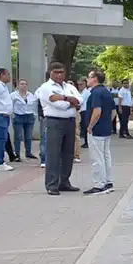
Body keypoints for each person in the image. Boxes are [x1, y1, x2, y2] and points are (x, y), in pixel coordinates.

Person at [36, 62, 82, 195]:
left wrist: (64, 98)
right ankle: (51, 184)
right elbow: (59, 106)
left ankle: (64, 182)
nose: (59, 75)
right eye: (56, 72)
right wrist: (71, 101)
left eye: (61, 72)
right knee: (53, 154)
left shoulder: (69, 86)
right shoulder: (45, 88)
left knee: (68, 154)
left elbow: (80, 100)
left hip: (70, 121)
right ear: (50, 73)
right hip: (54, 121)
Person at [84, 70, 115, 195]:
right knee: (106, 156)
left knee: (97, 157)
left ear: (95, 79)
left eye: (89, 77)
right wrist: (107, 122)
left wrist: (90, 125)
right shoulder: (107, 92)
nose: (87, 79)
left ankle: (99, 184)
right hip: (106, 128)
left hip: (96, 130)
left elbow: (97, 111)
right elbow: (113, 112)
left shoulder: (95, 93)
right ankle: (108, 181)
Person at [11, 80, 39, 160]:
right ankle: (17, 154)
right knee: (18, 136)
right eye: (22, 84)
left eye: (25, 84)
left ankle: (28, 152)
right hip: (18, 116)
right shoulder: (13, 95)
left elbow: (34, 105)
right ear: (18, 86)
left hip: (29, 116)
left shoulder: (30, 95)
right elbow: (10, 105)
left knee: (28, 136)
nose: (24, 86)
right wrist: (12, 115)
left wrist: (34, 115)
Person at [78, 78, 91, 149]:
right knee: (84, 127)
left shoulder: (85, 92)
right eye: (79, 85)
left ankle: (87, 142)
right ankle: (86, 142)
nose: (79, 86)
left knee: (85, 127)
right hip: (82, 111)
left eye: (81, 84)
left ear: (85, 85)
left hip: (85, 111)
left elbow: (80, 102)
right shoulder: (81, 92)